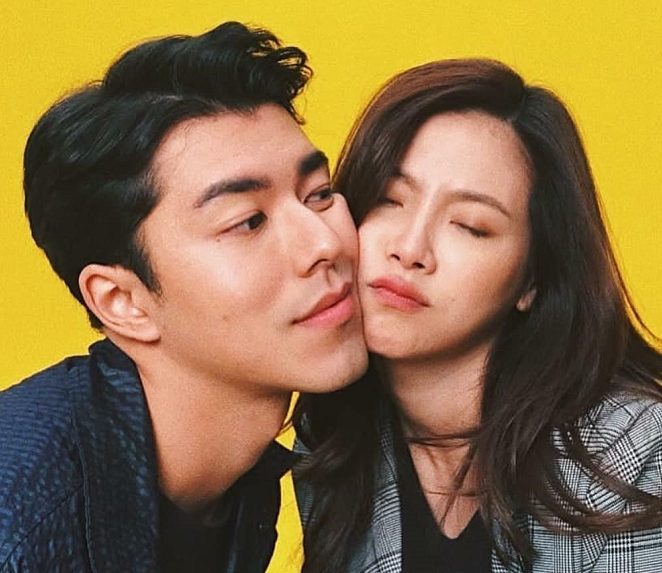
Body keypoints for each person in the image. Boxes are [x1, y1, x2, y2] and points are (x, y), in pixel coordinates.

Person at [0, 21, 367, 573]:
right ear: (122, 301)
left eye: (319, 194)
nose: (326, 243)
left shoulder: (234, 484)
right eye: (248, 221)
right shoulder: (21, 520)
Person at [293, 58, 662, 573]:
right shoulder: (332, 436)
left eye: (470, 225)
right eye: (388, 199)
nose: (410, 249)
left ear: (531, 281)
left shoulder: (636, 450)